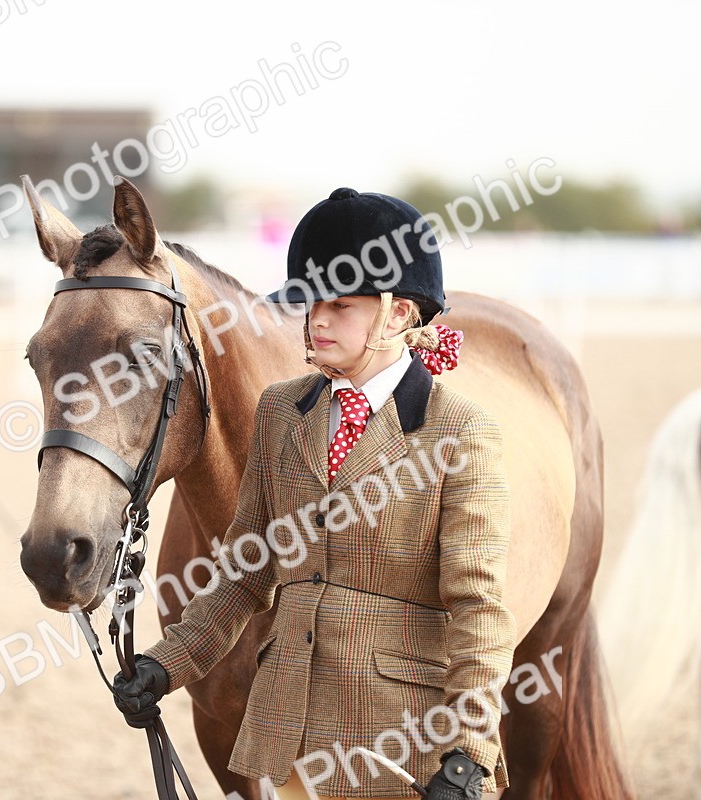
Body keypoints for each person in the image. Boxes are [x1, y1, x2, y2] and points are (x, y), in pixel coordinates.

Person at [112, 189, 516, 799]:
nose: (318, 319)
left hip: (407, 742)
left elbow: (478, 607)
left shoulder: (459, 430)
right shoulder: (281, 412)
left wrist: (470, 753)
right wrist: (167, 664)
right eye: (312, 303)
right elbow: (244, 572)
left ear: (400, 315)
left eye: (342, 306)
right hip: (291, 735)